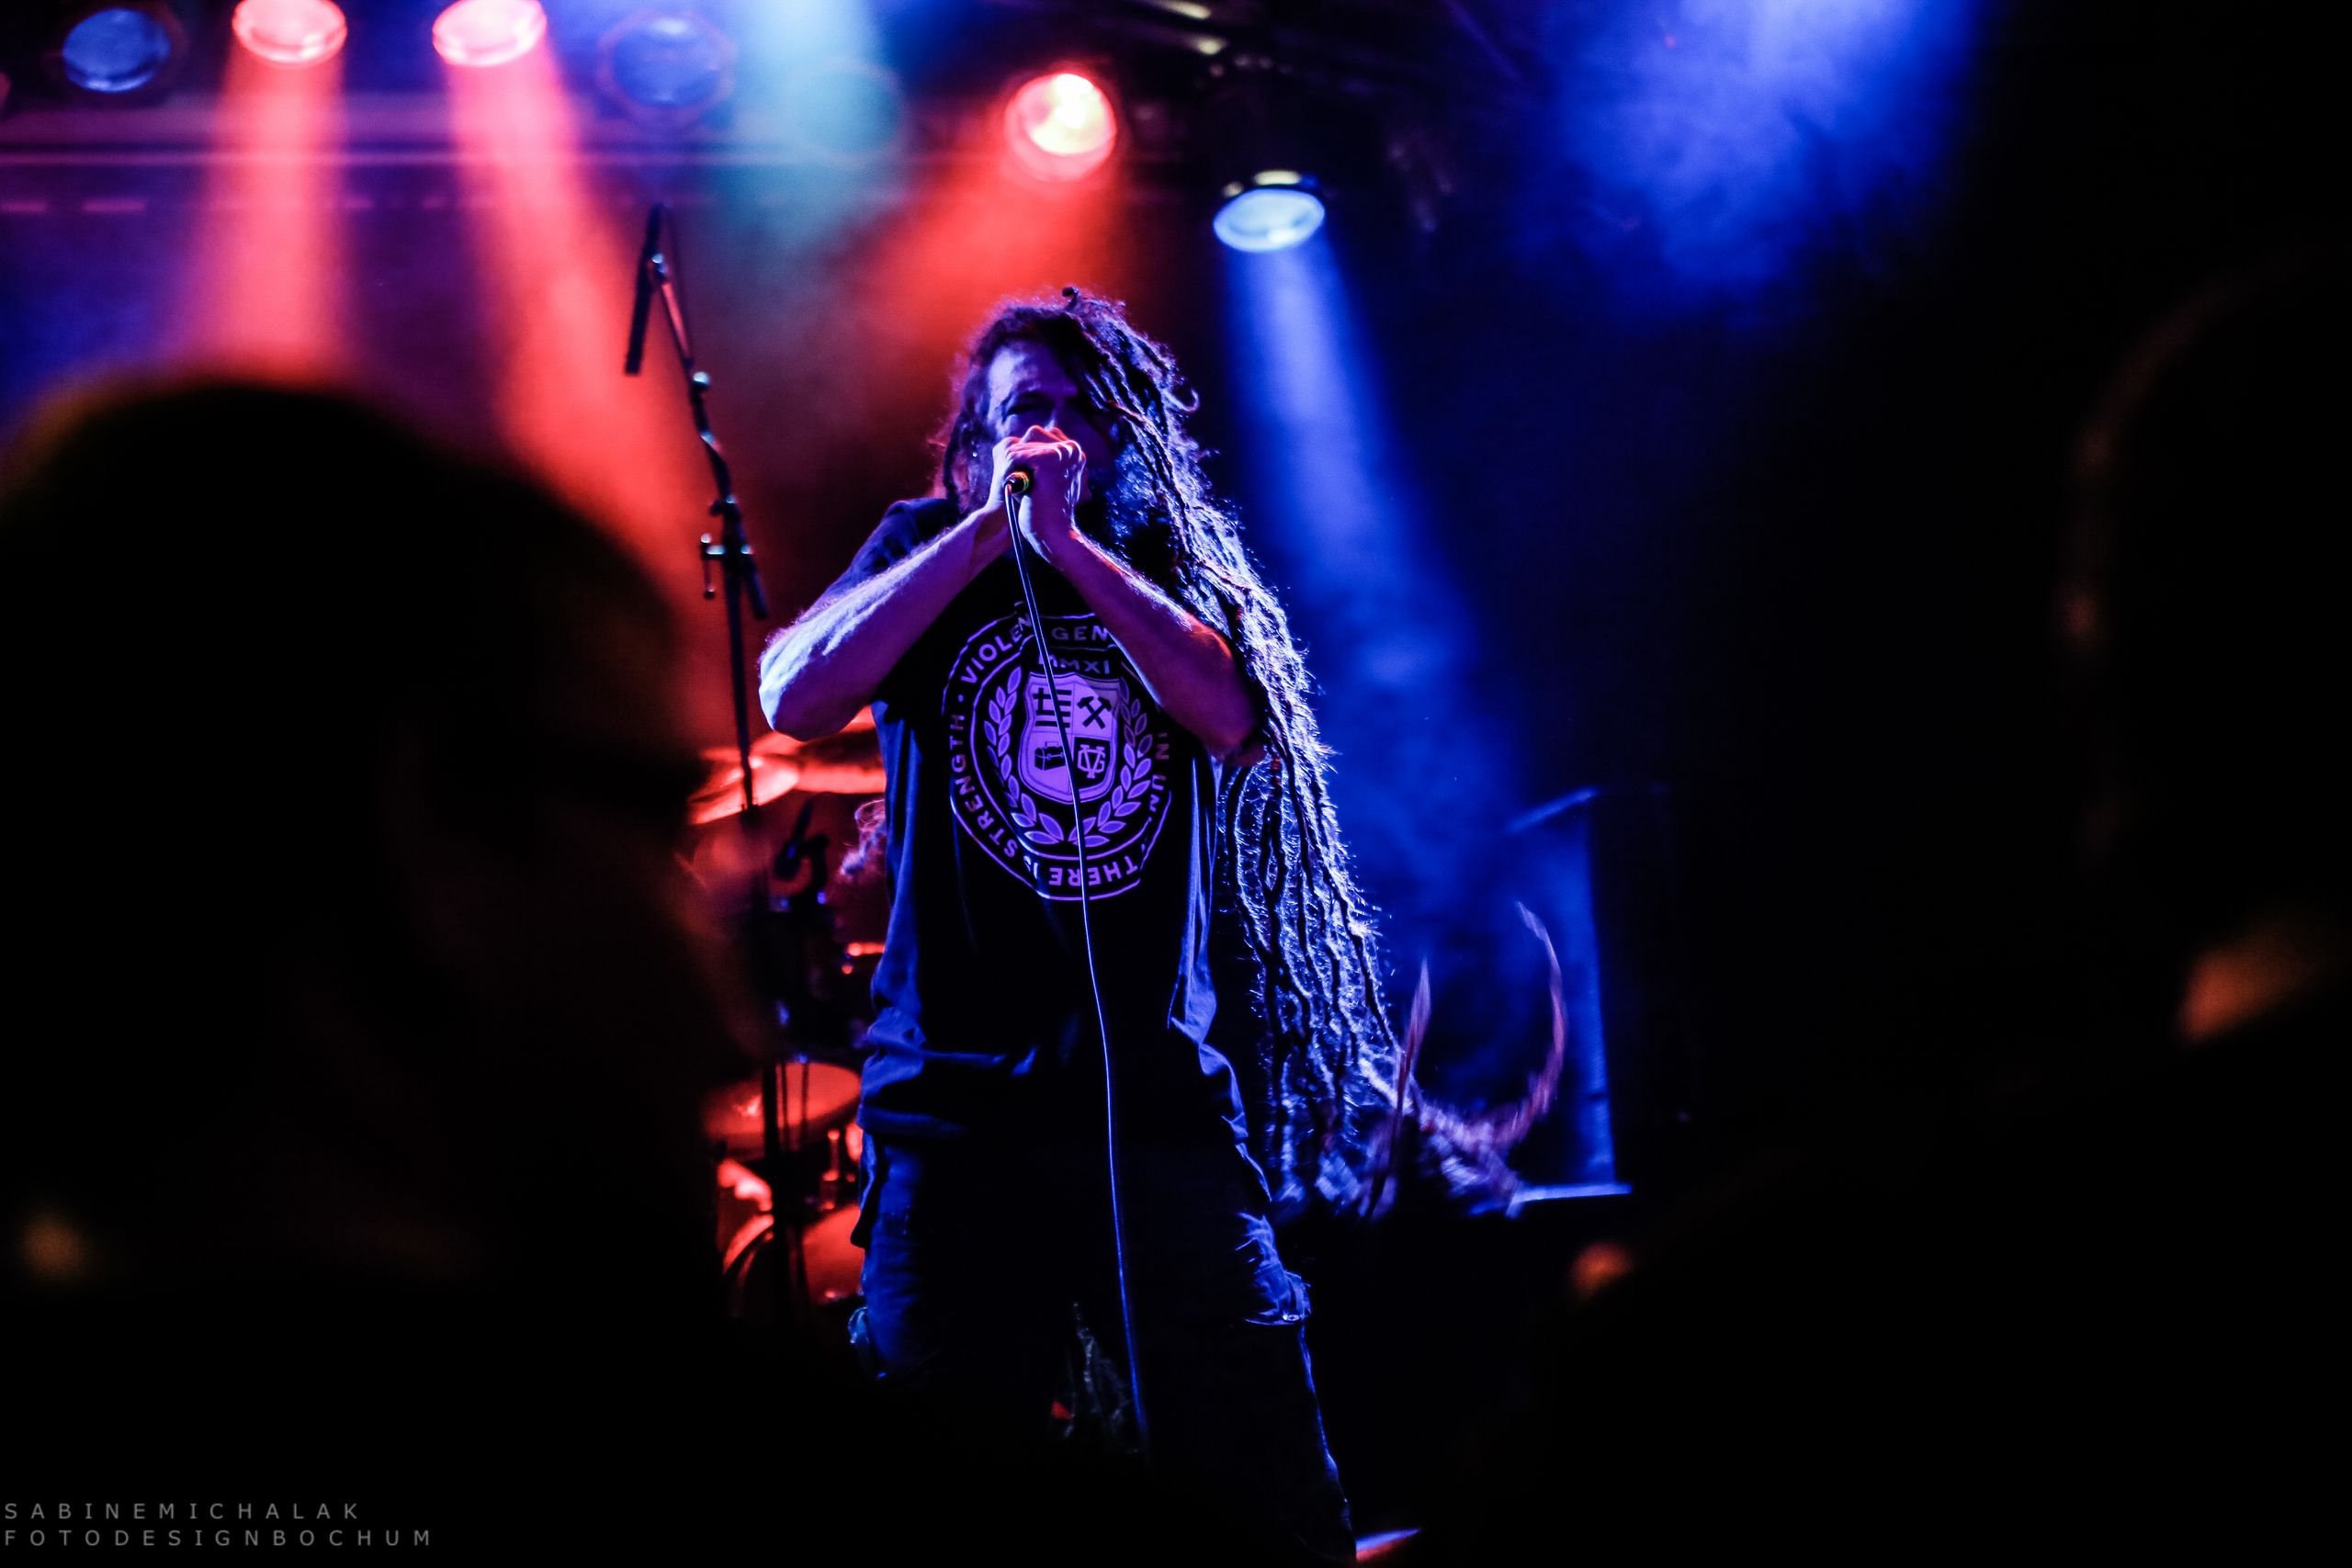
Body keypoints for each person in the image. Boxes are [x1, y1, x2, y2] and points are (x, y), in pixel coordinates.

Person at [759, 289, 1370, 1563]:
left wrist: (1074, 550)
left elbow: (1231, 716)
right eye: (1024, 410)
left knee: (1259, 1479)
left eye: (1083, 409)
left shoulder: (1165, 574)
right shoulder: (925, 547)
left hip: (1154, 1108)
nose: (1053, 432)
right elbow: (793, 693)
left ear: (1127, 435)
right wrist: (990, 533)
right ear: (977, 443)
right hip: (952, 1112)